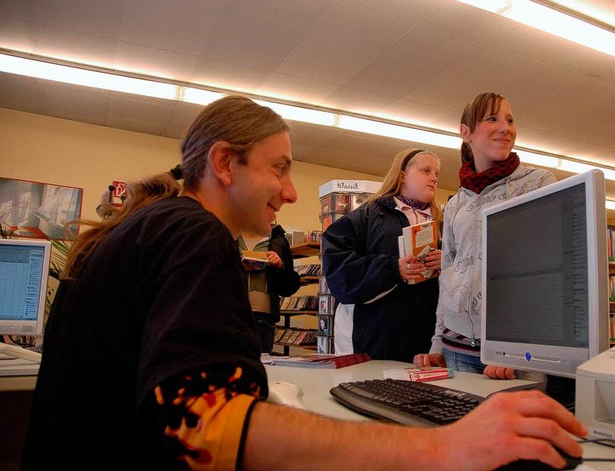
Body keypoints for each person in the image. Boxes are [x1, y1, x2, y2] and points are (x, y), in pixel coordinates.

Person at [22, 95, 586, 471]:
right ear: (224, 163)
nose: (291, 193)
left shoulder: (151, 226)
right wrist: (442, 445)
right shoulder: (193, 233)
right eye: (279, 168)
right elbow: (205, 426)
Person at [413, 92, 557, 380]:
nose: (506, 128)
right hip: (456, 348)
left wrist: (521, 349)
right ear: (465, 132)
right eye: (492, 119)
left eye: (510, 120)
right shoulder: (455, 203)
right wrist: (437, 344)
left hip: (515, 353)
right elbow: (449, 274)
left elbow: (547, 276)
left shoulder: (537, 183)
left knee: (518, 425)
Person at [321, 148, 444, 363]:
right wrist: (392, 268)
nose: (434, 178)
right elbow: (338, 271)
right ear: (403, 175)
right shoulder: (366, 216)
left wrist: (446, 263)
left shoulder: (441, 224)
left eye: (437, 173)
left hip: (425, 339)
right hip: (372, 335)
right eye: (426, 170)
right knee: (368, 391)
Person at [238, 223, 301, 353]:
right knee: (229, 365)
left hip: (264, 317)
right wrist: (235, 266)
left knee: (263, 366)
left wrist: (280, 266)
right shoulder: (229, 235)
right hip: (232, 313)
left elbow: (289, 287)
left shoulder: (279, 240)